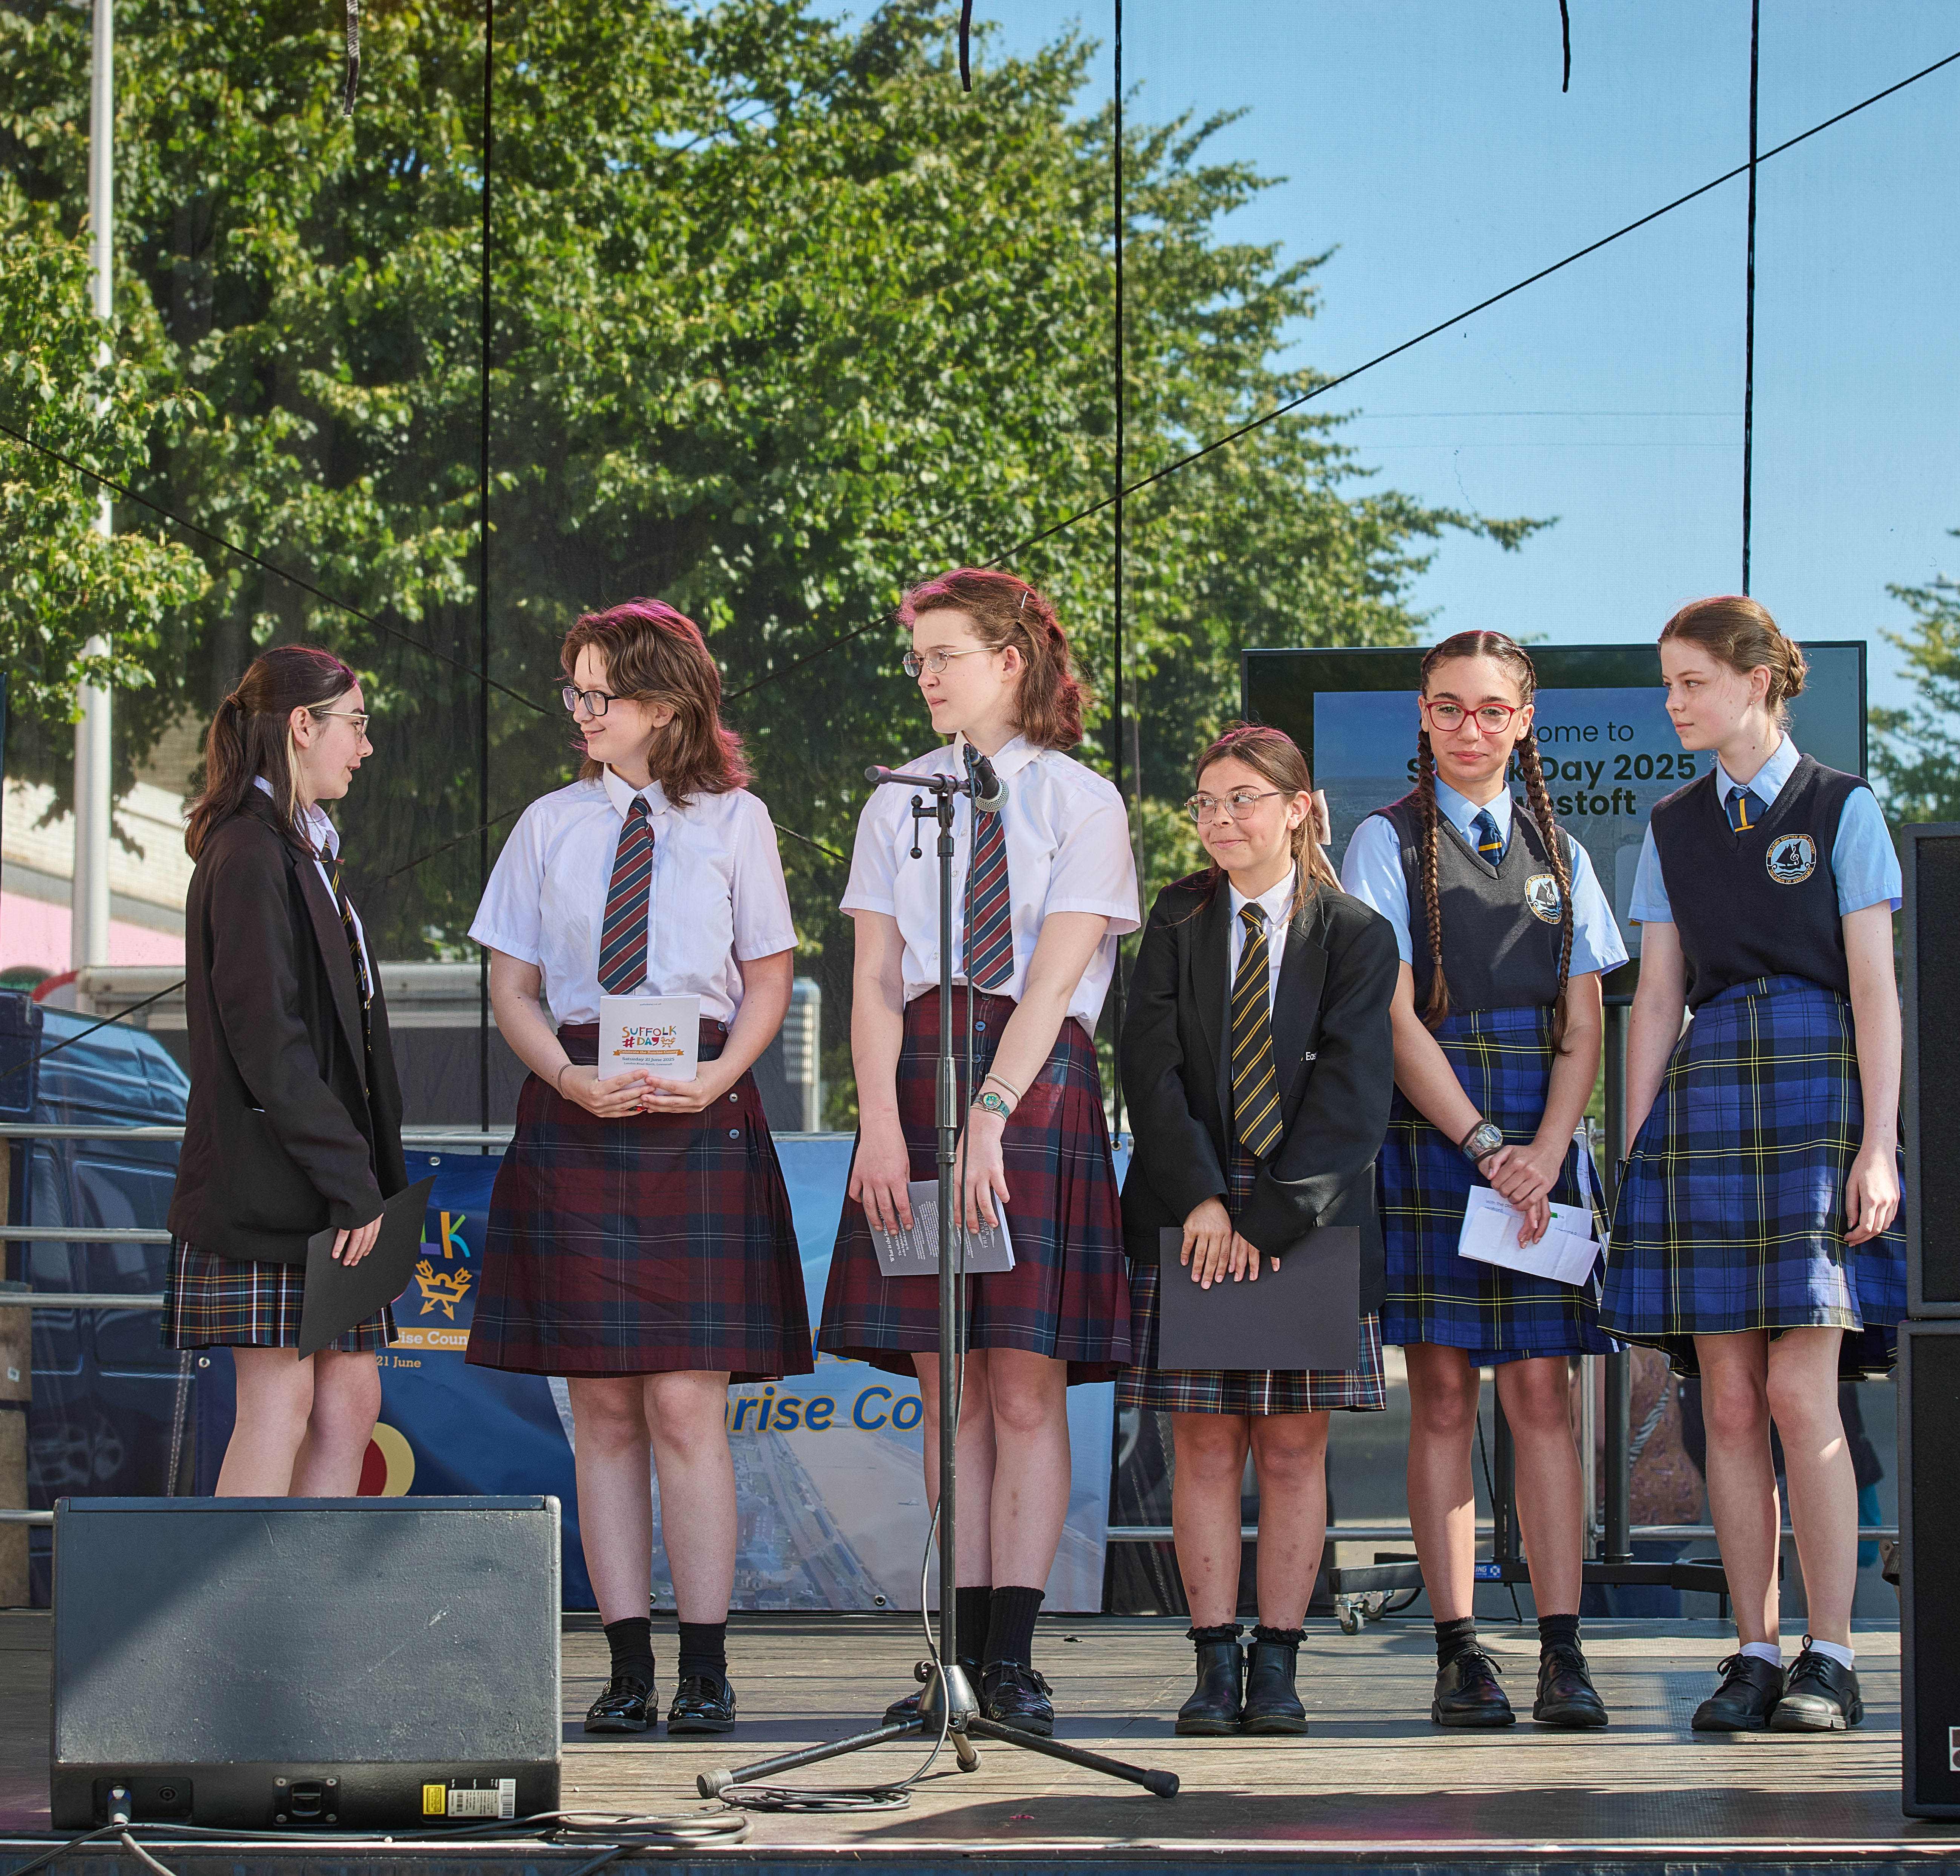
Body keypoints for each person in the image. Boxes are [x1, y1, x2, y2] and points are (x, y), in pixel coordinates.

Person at [467, 599, 814, 1740]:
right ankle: (623, 1662)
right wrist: (565, 1082)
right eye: (574, 690)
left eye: (599, 693)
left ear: (666, 701)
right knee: (600, 1409)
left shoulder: (737, 821)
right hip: (577, 1105)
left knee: (682, 1404)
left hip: (697, 1104)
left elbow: (768, 973)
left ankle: (706, 1665)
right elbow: (511, 988)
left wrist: (720, 1079)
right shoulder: (548, 823)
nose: (580, 711)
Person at [817, 566, 1139, 1737]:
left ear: (1011, 659)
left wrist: (992, 1108)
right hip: (916, 1066)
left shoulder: (1080, 797)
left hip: (1033, 1073)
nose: (926, 675)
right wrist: (885, 1121)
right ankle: (948, 1652)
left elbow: (1056, 972)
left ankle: (1012, 1652)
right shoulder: (897, 797)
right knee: (947, 1384)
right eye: (917, 658)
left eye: (944, 653)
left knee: (1022, 1377)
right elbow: (867, 975)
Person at [1600, 594, 1905, 1734]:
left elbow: (1877, 990)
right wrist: (1635, 1151)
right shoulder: (1673, 822)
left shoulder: (1842, 806)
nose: (1673, 702)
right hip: (1709, 1095)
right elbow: (1658, 998)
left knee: (1795, 1387)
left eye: (1690, 681)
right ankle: (1754, 1647)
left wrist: (1880, 1143)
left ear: (1756, 679)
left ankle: (1834, 1650)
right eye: (1668, 683)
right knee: (1722, 1398)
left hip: (1820, 1090)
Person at [1338, 631, 1629, 1733]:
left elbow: (1588, 1017)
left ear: (1524, 720)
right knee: (1447, 1392)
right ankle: (1460, 1652)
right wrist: (1481, 1144)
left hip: (1542, 1144)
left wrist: (1549, 1150)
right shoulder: (1383, 843)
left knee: (1543, 1393)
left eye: (1492, 709)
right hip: (1437, 1135)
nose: (1470, 727)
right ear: (1423, 714)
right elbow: (1390, 1015)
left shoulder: (1566, 848)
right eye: (1450, 707)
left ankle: (1563, 1649)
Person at [1118, 724, 1397, 1738]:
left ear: (1296, 807)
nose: (1222, 818)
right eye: (1206, 801)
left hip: (1306, 1207)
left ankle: (1277, 1665)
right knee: (1201, 1440)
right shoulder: (1179, 915)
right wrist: (1202, 1202)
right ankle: (1212, 1661)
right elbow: (1147, 1066)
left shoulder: (1357, 932)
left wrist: (1267, 1221)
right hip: (1191, 1205)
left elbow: (1356, 1093)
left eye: (1243, 798)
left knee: (1290, 1447)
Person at [163, 645, 402, 1501]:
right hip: (273, 1189)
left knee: (349, 1402)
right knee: (280, 1400)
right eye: (356, 725)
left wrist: (357, 1176)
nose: (364, 747)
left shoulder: (301, 850)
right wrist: (350, 1176)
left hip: (325, 1188)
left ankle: (303, 1619)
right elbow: (270, 1042)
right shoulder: (249, 854)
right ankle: (250, 1628)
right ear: (302, 726)